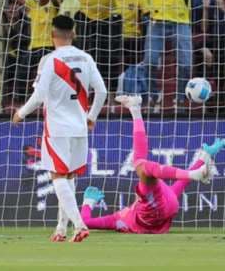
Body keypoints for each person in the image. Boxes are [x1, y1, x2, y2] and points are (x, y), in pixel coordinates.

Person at [13, 14, 107, 243]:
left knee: (57, 176)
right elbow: (102, 91)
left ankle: (80, 225)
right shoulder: (86, 58)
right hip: (80, 127)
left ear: (52, 35)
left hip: (57, 128)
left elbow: (39, 95)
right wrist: (92, 117)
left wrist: (20, 113)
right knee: (69, 177)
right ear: (73, 34)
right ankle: (61, 229)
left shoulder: (50, 61)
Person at [81, 95, 223, 234]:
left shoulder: (117, 219)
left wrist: (88, 202)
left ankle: (135, 110)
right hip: (152, 211)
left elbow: (85, 223)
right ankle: (135, 109)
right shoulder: (130, 210)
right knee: (142, 165)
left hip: (165, 211)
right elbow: (182, 181)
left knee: (144, 167)